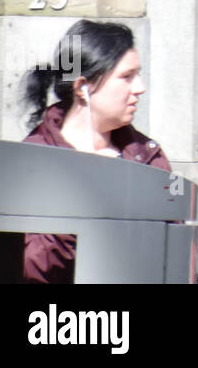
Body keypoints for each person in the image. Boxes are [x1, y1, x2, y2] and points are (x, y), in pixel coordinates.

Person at [22, 20, 170, 284]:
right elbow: (31, 266)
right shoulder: (31, 161)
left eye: (138, 74)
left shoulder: (148, 157)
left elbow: (175, 257)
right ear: (82, 87)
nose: (140, 87)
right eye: (126, 77)